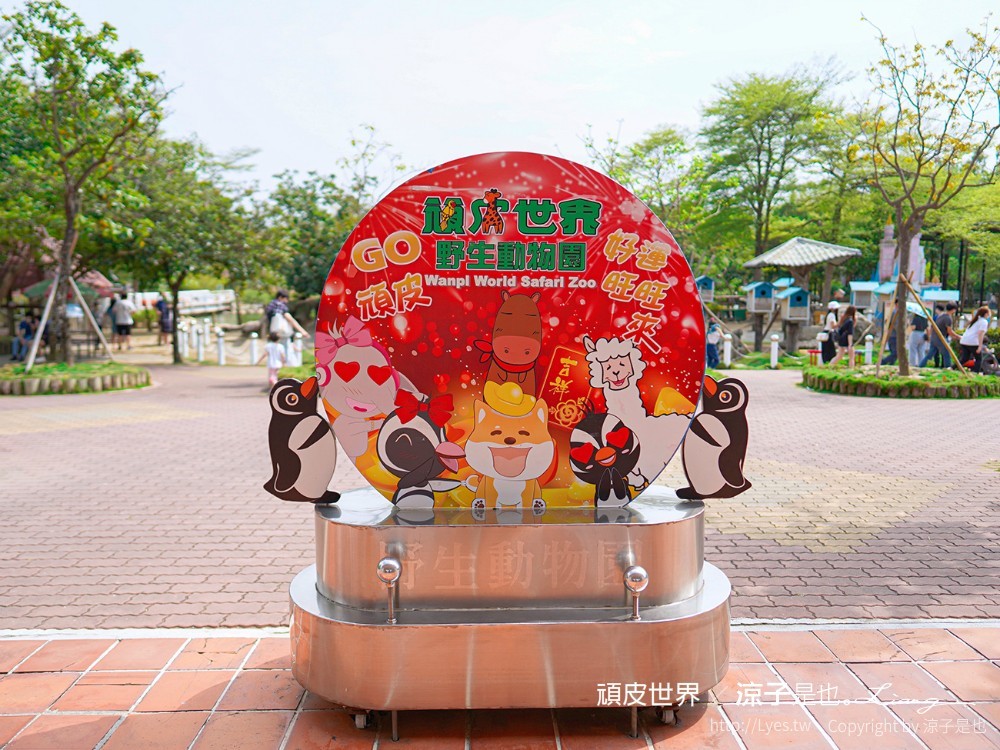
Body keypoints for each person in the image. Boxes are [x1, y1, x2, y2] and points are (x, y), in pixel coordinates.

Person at [265, 289, 310, 356]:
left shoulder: (271, 305)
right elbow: (290, 319)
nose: (287, 301)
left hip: (273, 333)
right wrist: (302, 331)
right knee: (285, 352)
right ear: (280, 297)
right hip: (282, 333)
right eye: (286, 299)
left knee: (274, 354)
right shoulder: (280, 305)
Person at [958, 305, 992, 372]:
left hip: (964, 341)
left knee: (965, 358)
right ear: (986, 314)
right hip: (973, 342)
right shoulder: (984, 322)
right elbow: (980, 334)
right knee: (978, 359)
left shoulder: (975, 320)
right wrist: (980, 346)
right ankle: (975, 372)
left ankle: (952, 368)